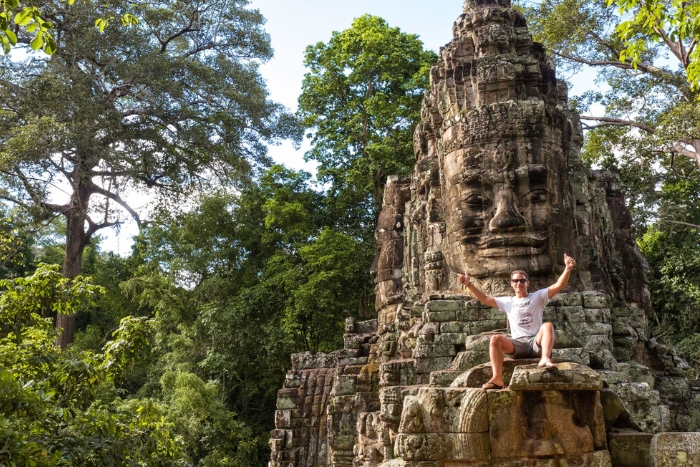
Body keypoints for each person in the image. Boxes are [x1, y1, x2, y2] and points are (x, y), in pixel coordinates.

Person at [458, 253, 577, 389]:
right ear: (511, 284)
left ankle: (545, 358)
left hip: (535, 343)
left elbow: (558, 285)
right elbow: (484, 299)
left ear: (527, 283)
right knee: (495, 339)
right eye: (515, 281)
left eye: (522, 281)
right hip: (517, 344)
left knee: (547, 326)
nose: (519, 283)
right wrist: (469, 284)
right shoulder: (507, 301)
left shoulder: (538, 296)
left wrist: (568, 268)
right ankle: (497, 378)